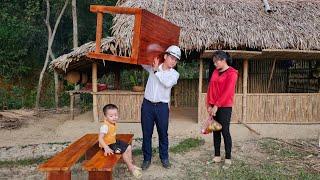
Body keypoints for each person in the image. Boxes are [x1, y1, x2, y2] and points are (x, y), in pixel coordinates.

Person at [140, 45, 181, 170]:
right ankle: (147, 159)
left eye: (176, 59)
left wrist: (156, 70)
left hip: (162, 107)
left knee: (163, 133)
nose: (173, 61)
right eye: (172, 58)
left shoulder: (174, 74)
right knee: (146, 134)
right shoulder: (152, 66)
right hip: (147, 105)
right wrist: (148, 51)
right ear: (165, 56)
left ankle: (164, 158)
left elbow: (166, 83)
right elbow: (141, 61)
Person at [206, 50, 238, 168]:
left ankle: (228, 157)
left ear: (223, 60)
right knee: (215, 131)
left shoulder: (232, 73)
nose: (214, 64)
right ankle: (217, 156)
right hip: (213, 106)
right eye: (214, 62)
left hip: (225, 107)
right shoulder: (215, 72)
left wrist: (217, 105)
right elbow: (210, 88)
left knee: (225, 131)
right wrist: (209, 105)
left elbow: (227, 92)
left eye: (216, 61)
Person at [98, 104, 142, 178]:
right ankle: (131, 168)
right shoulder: (105, 126)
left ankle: (131, 164)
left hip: (113, 142)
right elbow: (100, 138)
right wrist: (106, 147)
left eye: (115, 115)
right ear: (105, 117)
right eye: (111, 116)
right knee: (123, 151)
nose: (114, 117)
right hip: (107, 146)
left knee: (129, 147)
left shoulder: (112, 123)